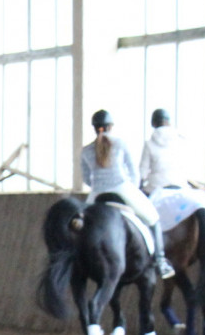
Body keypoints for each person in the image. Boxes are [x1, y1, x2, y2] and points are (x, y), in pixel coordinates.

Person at [80, 110, 174, 280]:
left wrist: (97, 185)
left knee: (81, 225)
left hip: (97, 193)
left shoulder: (86, 150)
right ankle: (161, 261)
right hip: (122, 189)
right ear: (111, 126)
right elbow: (134, 172)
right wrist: (133, 186)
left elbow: (86, 177)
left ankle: (76, 262)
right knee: (153, 218)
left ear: (94, 128)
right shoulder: (120, 144)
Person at [138, 108, 190, 195]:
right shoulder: (181, 141)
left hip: (156, 188)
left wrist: (139, 186)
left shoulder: (149, 144)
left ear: (153, 124)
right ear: (169, 122)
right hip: (179, 186)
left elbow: (142, 172)